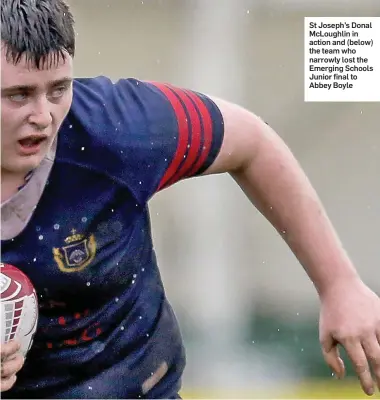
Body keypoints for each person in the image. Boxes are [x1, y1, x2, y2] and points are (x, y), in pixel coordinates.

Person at [1, 0, 379, 398]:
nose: (43, 115)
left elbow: (252, 141)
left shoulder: (116, 128)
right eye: (19, 95)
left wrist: (339, 285)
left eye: (59, 89)